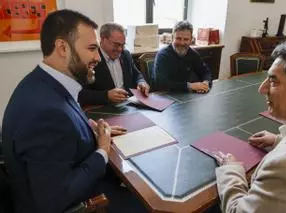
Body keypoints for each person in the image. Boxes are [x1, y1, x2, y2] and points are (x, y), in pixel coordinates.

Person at [2, 9, 129, 213]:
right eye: (92, 48)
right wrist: (102, 150)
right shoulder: (44, 114)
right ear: (62, 47)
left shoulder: (42, 83)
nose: (98, 57)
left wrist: (92, 131)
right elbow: (54, 200)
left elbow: (62, 130)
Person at [215, 39, 286, 212]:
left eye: (273, 81)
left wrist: (231, 172)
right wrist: (279, 140)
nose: (262, 89)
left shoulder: (285, 168)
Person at [78, 23, 150, 105]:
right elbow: (80, 94)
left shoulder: (125, 54)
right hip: (104, 108)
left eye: (123, 45)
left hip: (130, 104)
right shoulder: (90, 59)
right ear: (103, 39)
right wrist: (106, 95)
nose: (120, 49)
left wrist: (141, 83)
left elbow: (137, 75)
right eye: (116, 45)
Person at [153, 20, 212, 93]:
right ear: (172, 38)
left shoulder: (193, 54)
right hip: (164, 96)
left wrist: (205, 83)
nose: (182, 43)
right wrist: (190, 86)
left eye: (186, 39)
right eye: (178, 38)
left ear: (191, 40)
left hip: (184, 96)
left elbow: (205, 71)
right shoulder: (162, 55)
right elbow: (161, 83)